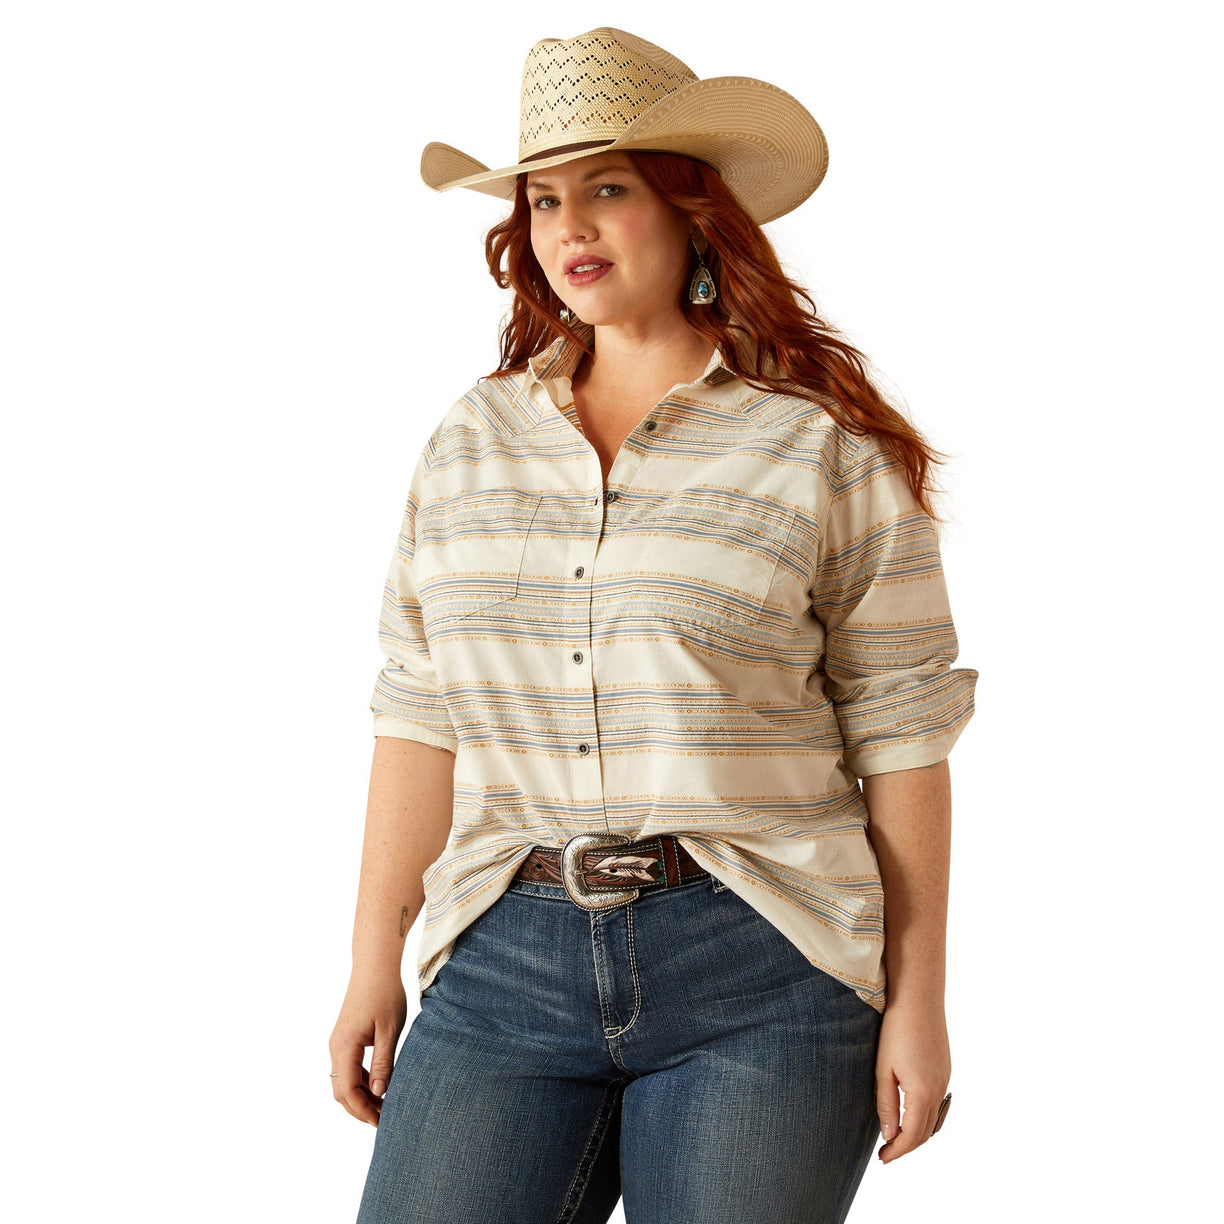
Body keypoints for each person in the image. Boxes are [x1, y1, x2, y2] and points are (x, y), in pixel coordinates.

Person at [329, 26, 977, 1224]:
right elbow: (420, 708)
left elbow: (903, 733)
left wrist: (919, 998)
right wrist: (377, 953)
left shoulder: (816, 451)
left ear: (692, 210)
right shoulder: (472, 442)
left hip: (766, 964)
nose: (570, 226)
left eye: (609, 190)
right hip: (501, 961)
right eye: (543, 198)